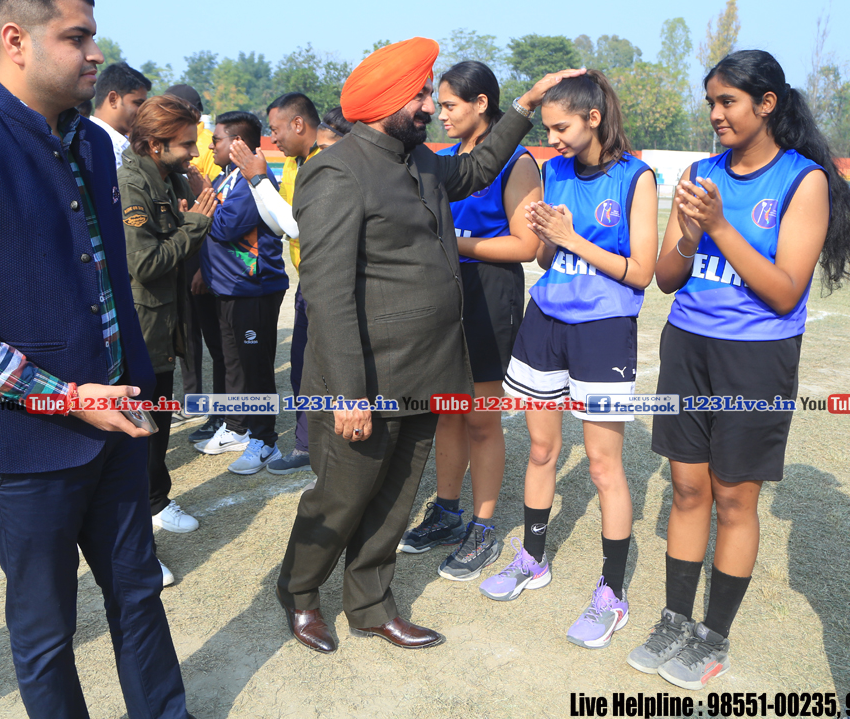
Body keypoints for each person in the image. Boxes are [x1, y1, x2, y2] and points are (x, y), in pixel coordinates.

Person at [0, 0, 194, 718]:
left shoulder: (92, 144)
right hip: (23, 443)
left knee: (138, 593)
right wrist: (64, 397)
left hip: (116, 421)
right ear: (15, 40)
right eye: (76, 36)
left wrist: (133, 388)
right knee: (45, 629)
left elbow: (105, 283)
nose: (96, 53)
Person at [275, 35, 581, 654]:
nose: (426, 106)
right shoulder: (336, 171)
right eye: (417, 95)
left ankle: (369, 604)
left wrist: (523, 105)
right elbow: (327, 294)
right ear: (384, 103)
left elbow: (477, 169)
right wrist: (349, 395)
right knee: (340, 497)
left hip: (423, 370)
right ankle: (301, 594)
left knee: (394, 500)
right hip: (364, 379)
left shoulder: (419, 160)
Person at [630, 50, 850, 689]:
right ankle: (674, 620)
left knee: (735, 498)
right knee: (688, 490)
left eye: (728, 102)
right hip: (688, 346)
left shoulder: (803, 180)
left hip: (757, 357)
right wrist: (689, 234)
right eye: (711, 102)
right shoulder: (701, 172)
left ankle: (712, 637)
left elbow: (786, 291)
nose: (716, 114)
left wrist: (718, 226)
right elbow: (666, 278)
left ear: (767, 104)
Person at [477, 70, 657, 652]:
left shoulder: (636, 177)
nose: (551, 138)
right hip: (544, 324)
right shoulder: (551, 171)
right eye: (548, 128)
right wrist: (549, 239)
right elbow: (544, 259)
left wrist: (572, 237)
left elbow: (642, 273)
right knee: (541, 450)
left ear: (593, 118)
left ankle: (612, 592)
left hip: (604, 331)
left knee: (603, 467)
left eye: (560, 127)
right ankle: (532, 558)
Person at [398, 61, 542, 583]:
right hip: (446, 294)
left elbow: (526, 246)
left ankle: (483, 526)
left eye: (450, 105)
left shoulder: (517, 161)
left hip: (490, 294)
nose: (440, 114)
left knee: (481, 418)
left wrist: (454, 243)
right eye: (438, 104)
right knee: (447, 413)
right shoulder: (449, 158)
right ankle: (447, 510)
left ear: (482, 103)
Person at [120, 94, 218, 543]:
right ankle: (142, 510)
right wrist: (194, 223)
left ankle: (156, 500)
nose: (194, 153)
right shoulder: (132, 186)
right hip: (142, 327)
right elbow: (145, 264)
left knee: (156, 421)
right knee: (139, 427)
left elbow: (183, 237)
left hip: (165, 319)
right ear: (155, 145)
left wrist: (195, 205)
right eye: (186, 144)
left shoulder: (170, 177)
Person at [226, 92, 322, 476]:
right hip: (308, 282)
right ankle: (307, 444)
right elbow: (278, 225)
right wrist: (257, 182)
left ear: (298, 124)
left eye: (276, 129)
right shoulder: (296, 164)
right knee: (301, 369)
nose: (273, 138)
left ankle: (320, 445)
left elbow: (299, 226)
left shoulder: (325, 162)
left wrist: (258, 178)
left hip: (330, 285)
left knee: (325, 370)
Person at [194, 111, 289, 472]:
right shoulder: (226, 178)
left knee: (256, 368)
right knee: (234, 364)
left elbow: (223, 227)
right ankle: (237, 428)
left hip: (253, 289)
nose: (210, 147)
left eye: (216, 139)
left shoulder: (251, 181)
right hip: (229, 287)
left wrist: (202, 199)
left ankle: (265, 441)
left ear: (236, 143)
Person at [165, 84, 224, 443]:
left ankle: (205, 401)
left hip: (198, 248)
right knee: (187, 327)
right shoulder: (180, 138)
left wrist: (203, 262)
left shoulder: (199, 144)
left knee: (204, 331)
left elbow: (210, 204)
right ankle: (194, 397)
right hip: (185, 243)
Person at [92, 61, 151, 167]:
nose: (143, 112)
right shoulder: (91, 142)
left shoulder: (123, 145)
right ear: (113, 99)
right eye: (138, 104)